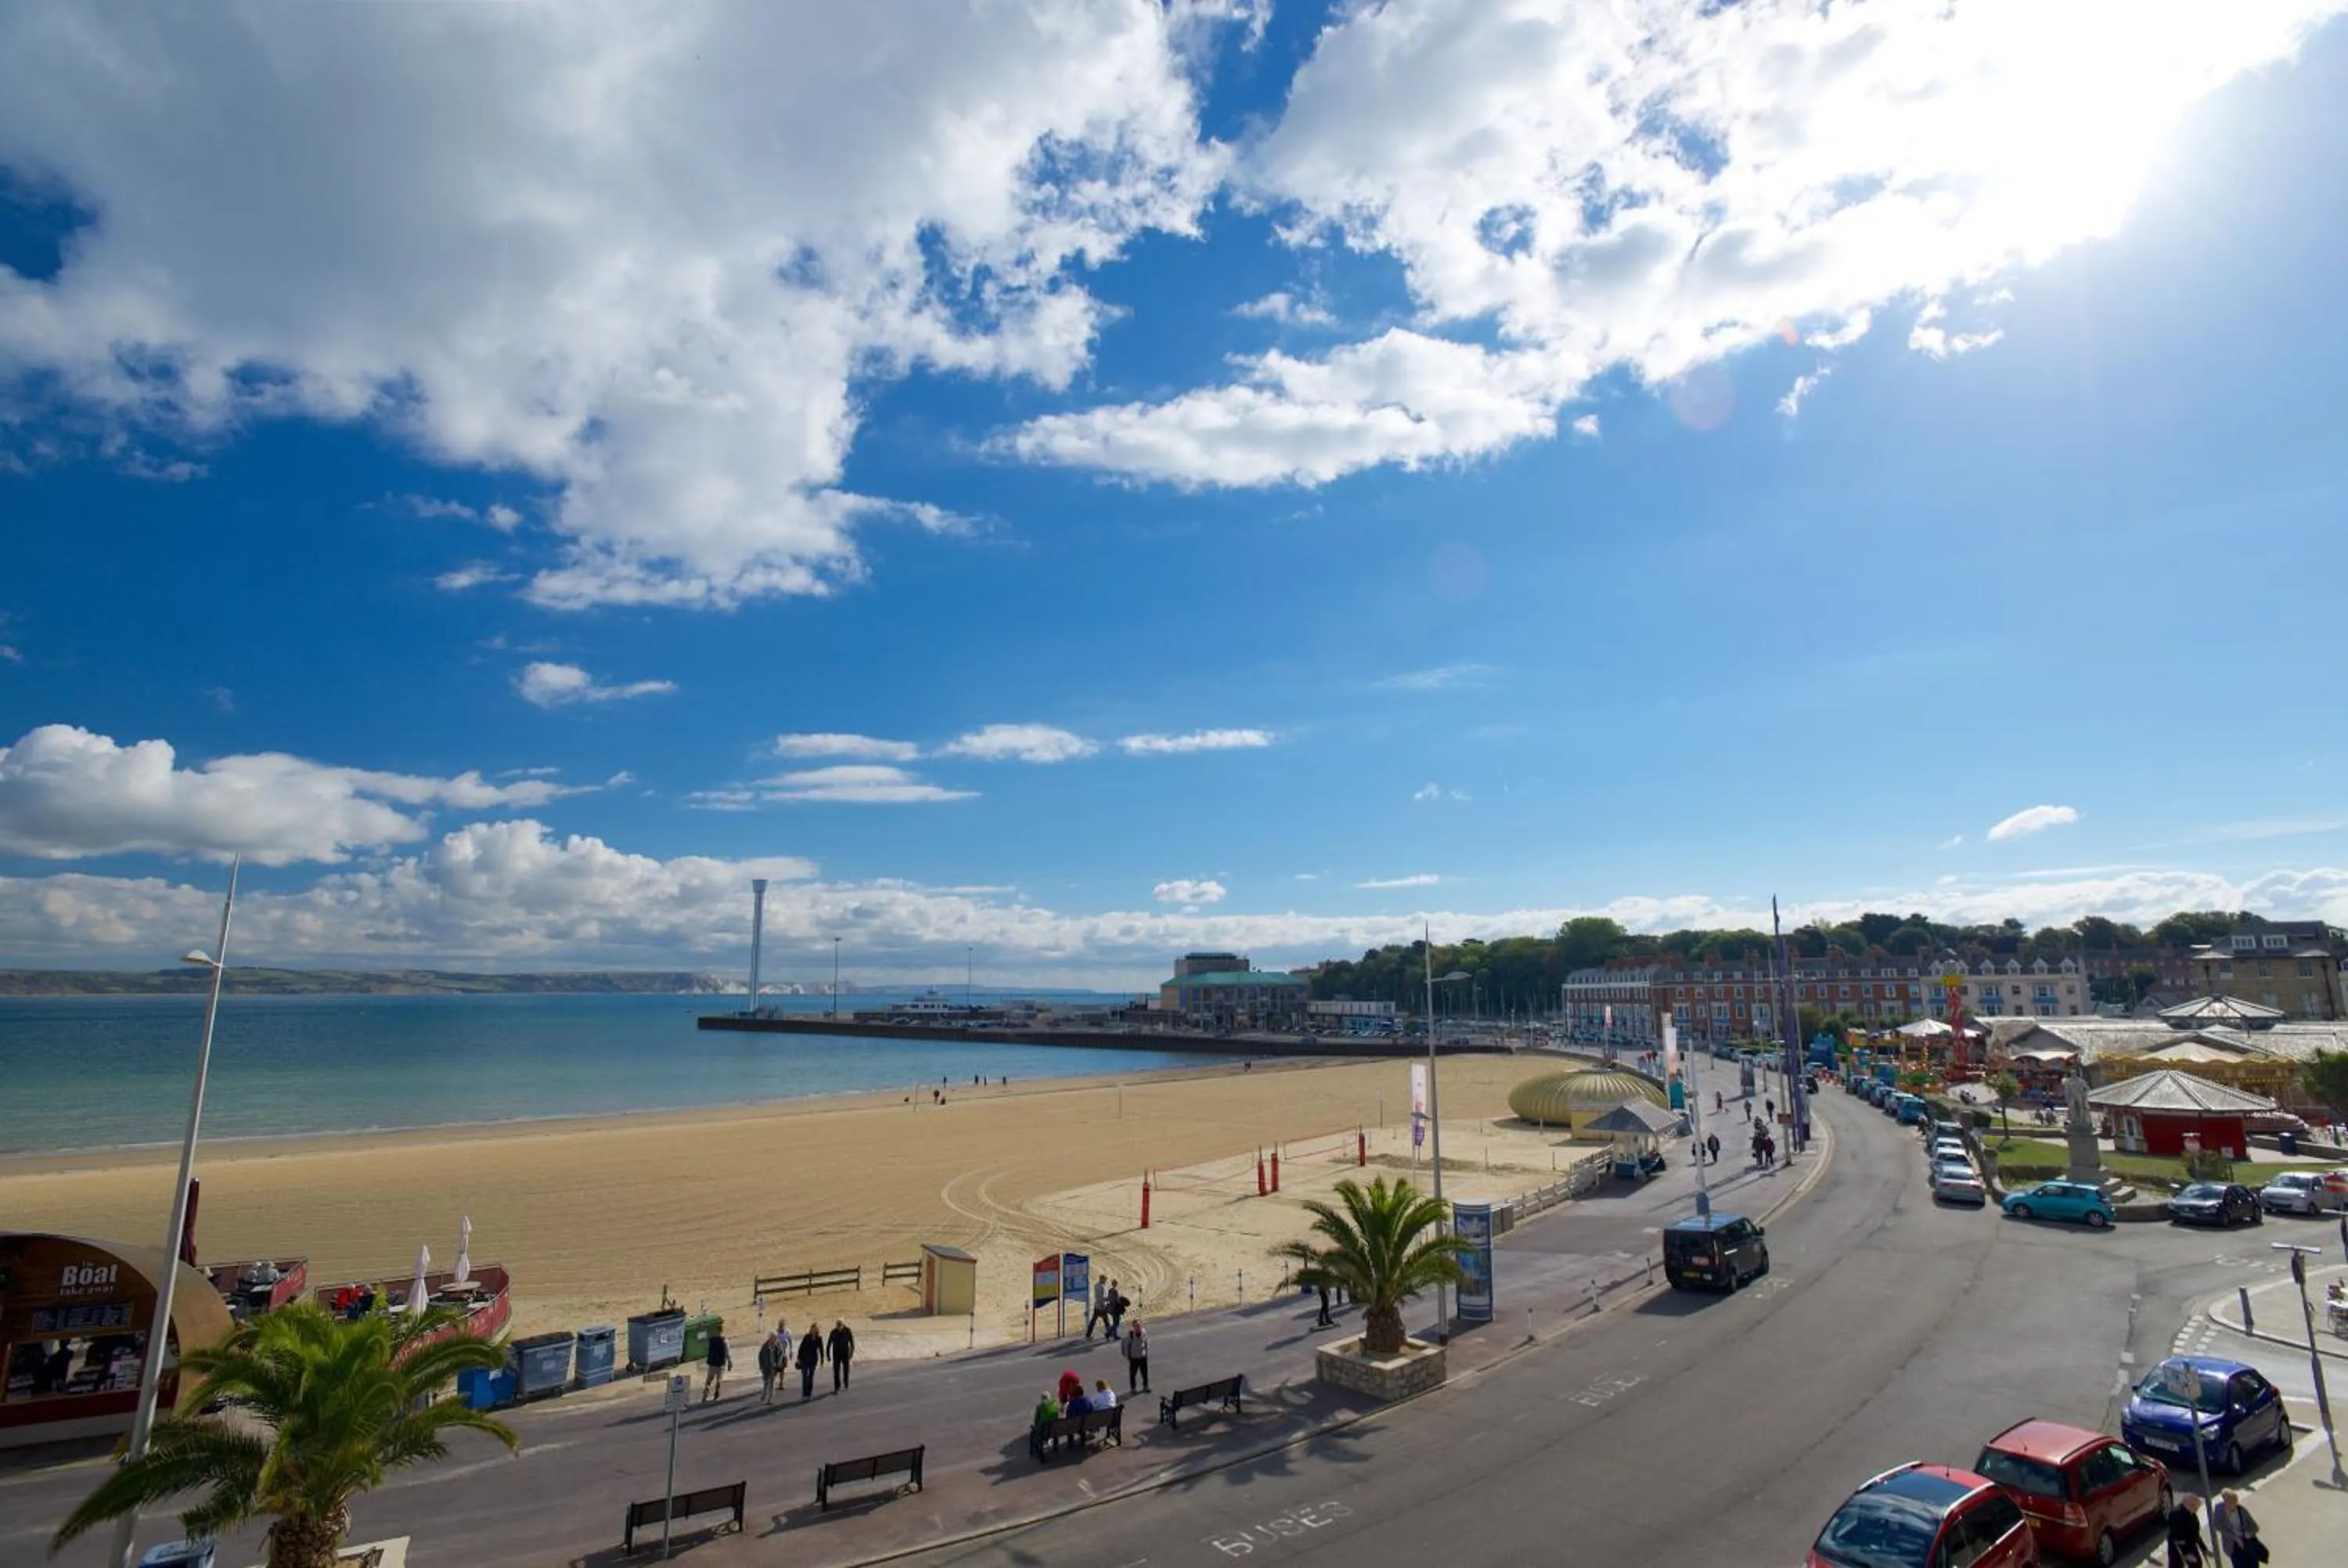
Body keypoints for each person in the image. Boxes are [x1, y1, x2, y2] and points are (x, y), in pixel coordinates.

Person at [2212, 1490, 2263, 1568]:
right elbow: (2217, 1526)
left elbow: (2255, 1527)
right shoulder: (2219, 1509)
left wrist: (2248, 1534)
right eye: (2228, 1502)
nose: (2233, 1505)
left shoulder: (2242, 1510)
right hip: (2232, 1545)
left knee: (2253, 1564)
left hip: (2247, 1542)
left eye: (2234, 1502)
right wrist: (2234, 1537)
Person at [2166, 1494, 2208, 1568]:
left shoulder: (2192, 1513)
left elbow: (2195, 1532)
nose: (2197, 1510)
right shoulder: (2176, 1514)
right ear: (2190, 1505)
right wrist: (2186, 1554)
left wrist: (2203, 1548)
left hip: (2191, 1545)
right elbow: (2177, 1537)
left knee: (2197, 1565)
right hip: (2178, 1549)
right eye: (2196, 1508)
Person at [701, 1327, 731, 1402]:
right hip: (721, 1363)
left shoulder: (711, 1340)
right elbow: (727, 1352)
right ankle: (716, 1393)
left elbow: (707, 1349)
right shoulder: (724, 1341)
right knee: (719, 1379)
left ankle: (706, 1391)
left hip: (712, 1363)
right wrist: (730, 1362)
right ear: (722, 1330)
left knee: (709, 1380)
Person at [796, 1324, 823, 1400]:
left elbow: (821, 1349)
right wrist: (798, 1358)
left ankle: (809, 1393)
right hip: (804, 1359)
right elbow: (801, 1348)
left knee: (810, 1377)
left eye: (815, 1329)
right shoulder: (806, 1337)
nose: (813, 1331)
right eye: (812, 1329)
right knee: (805, 1377)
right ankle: (804, 1394)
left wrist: (822, 1360)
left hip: (813, 1360)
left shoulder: (819, 1338)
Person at [1122, 1318, 1151, 1394]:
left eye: (1139, 1325)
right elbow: (1126, 1346)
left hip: (1142, 1357)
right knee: (1133, 1374)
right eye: (1136, 1326)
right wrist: (1128, 1356)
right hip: (1134, 1358)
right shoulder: (1130, 1335)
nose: (1138, 1327)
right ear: (1133, 1327)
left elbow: (1146, 1343)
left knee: (1145, 1373)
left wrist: (1147, 1353)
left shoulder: (1144, 1332)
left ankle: (1146, 1386)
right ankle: (1133, 1388)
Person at [827, 1319, 855, 1391]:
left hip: (845, 1354)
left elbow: (852, 1343)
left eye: (840, 1326)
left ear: (843, 1325)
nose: (839, 1327)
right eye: (838, 1326)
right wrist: (828, 1355)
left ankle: (846, 1382)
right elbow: (829, 1344)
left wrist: (851, 1353)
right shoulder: (833, 1332)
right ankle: (837, 1386)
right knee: (836, 1371)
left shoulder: (848, 1331)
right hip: (836, 1354)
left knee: (846, 1370)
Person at [756, 1329, 781, 1404]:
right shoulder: (765, 1346)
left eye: (776, 1338)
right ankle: (763, 1396)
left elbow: (780, 1354)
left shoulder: (777, 1346)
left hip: (773, 1367)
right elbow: (760, 1356)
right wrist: (761, 1366)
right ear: (770, 1338)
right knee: (766, 1383)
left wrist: (778, 1363)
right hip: (766, 1367)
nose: (775, 1340)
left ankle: (769, 1399)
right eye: (774, 1338)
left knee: (772, 1383)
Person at [1086, 1273, 1109, 1340]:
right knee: (1106, 1320)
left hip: (1098, 1306)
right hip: (1101, 1306)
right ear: (1102, 1279)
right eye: (1105, 1279)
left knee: (1094, 1320)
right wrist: (1104, 1302)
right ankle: (1110, 1333)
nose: (1106, 1280)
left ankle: (1088, 1334)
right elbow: (1100, 1297)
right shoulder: (1100, 1286)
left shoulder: (1099, 1285)